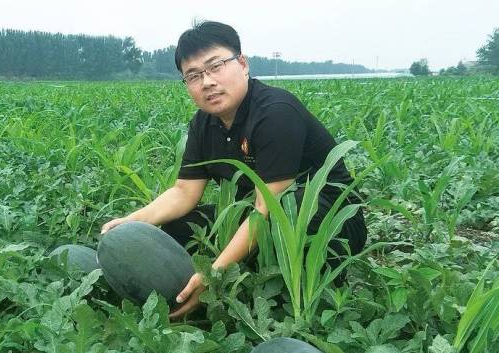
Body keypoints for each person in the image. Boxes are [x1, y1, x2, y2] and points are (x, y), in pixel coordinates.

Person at [101, 21, 366, 317]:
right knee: (178, 225)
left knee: (291, 210)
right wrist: (131, 221)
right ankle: (186, 294)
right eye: (193, 76)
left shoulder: (275, 112)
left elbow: (270, 209)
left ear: (242, 64)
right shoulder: (204, 124)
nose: (207, 82)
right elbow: (183, 192)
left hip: (327, 223)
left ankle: (285, 298)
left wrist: (216, 272)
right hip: (259, 216)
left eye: (215, 66)